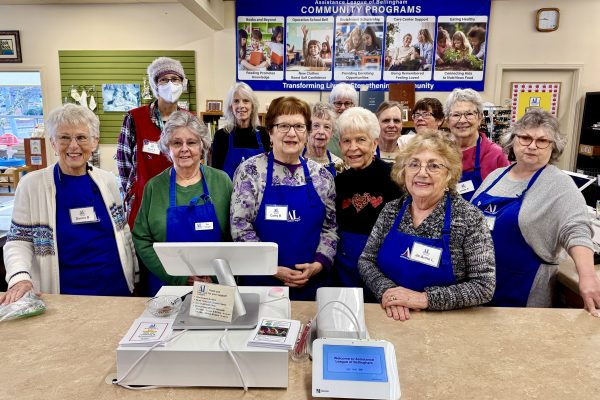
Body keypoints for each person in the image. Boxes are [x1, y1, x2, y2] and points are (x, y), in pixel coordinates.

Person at [1, 104, 137, 304]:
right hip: (63, 296)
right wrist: (19, 278)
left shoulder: (107, 181)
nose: (73, 146)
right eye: (65, 138)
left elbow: (122, 232)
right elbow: (18, 241)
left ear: (94, 142)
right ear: (53, 143)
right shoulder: (32, 185)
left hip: (116, 289)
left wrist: (135, 275)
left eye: (81, 137)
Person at [472, 109, 600, 315]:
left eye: (542, 141)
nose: (532, 146)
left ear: (553, 146)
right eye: (525, 138)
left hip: (523, 289)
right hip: (478, 284)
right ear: (513, 140)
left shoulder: (559, 184)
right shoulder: (496, 176)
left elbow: (576, 230)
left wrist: (587, 276)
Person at [358, 131, 495, 320]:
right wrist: (389, 292)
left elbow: (483, 286)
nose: (422, 173)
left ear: (449, 174)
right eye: (414, 164)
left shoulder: (469, 218)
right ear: (403, 171)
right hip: (390, 316)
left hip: (445, 324)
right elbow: (366, 260)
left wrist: (423, 299)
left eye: (434, 166)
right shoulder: (392, 210)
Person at [230, 96, 337, 301]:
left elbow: (330, 228)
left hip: (311, 285)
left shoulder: (321, 176)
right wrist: (271, 268)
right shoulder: (250, 171)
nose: (291, 133)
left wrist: (318, 264)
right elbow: (240, 226)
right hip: (262, 285)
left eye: (299, 126)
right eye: (283, 126)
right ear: (270, 131)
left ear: (306, 133)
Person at [133, 112, 232, 295]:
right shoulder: (154, 187)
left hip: (215, 288)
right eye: (177, 143)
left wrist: (216, 277)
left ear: (202, 145)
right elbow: (142, 239)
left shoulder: (222, 182)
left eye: (192, 142)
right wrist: (178, 277)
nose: (184, 149)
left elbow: (233, 238)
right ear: (167, 147)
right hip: (166, 287)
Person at [334, 107, 402, 302]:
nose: (353, 147)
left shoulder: (393, 179)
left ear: (374, 143)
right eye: (347, 141)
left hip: (382, 268)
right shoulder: (339, 181)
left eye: (360, 140)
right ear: (340, 145)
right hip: (345, 268)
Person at [117, 56, 188, 228]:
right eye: (164, 80)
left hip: (180, 196)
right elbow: (123, 163)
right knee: (144, 247)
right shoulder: (134, 118)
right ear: (155, 85)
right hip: (144, 198)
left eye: (175, 79)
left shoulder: (189, 119)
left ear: (182, 84)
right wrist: (133, 191)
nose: (170, 84)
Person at [445, 88, 509, 200]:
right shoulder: (439, 152)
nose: (462, 120)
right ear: (447, 121)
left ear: (480, 118)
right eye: (456, 115)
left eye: (469, 114)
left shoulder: (496, 155)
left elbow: (506, 196)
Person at [210, 82, 270, 179]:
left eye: (246, 101)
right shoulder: (221, 135)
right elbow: (215, 174)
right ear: (231, 106)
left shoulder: (264, 134)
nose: (241, 105)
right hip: (229, 193)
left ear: (253, 106)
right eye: (236, 101)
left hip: (259, 193)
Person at [303, 102, 345, 177]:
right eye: (316, 125)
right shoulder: (295, 161)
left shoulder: (339, 164)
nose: (321, 132)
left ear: (332, 133)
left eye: (327, 127)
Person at [328, 82, 359, 157]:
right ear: (331, 104)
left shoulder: (360, 128)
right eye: (338, 103)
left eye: (347, 103)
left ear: (354, 105)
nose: (342, 108)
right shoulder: (325, 129)